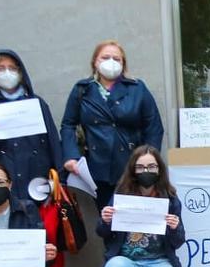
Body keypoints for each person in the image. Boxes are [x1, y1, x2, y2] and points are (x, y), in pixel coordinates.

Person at [61, 40, 165, 210]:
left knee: (134, 220)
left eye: (117, 59)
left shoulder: (137, 88)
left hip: (131, 167)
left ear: (123, 64)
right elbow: (68, 125)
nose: (111, 62)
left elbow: (153, 127)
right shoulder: (82, 89)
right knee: (107, 220)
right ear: (95, 61)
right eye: (105, 57)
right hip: (96, 169)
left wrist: (149, 161)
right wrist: (71, 156)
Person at [97, 146, 186, 267]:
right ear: (133, 170)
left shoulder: (170, 198)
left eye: (152, 166)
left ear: (159, 169)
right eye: (141, 167)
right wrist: (105, 220)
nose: (146, 171)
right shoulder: (121, 195)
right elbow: (101, 233)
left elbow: (178, 242)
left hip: (159, 261)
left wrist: (175, 227)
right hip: (127, 261)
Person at [0, 49, 63, 201]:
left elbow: (53, 142)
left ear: (20, 72)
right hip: (4, 177)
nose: (7, 73)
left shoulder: (37, 103)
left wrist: (59, 179)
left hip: (37, 177)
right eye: (1, 68)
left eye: (12, 68)